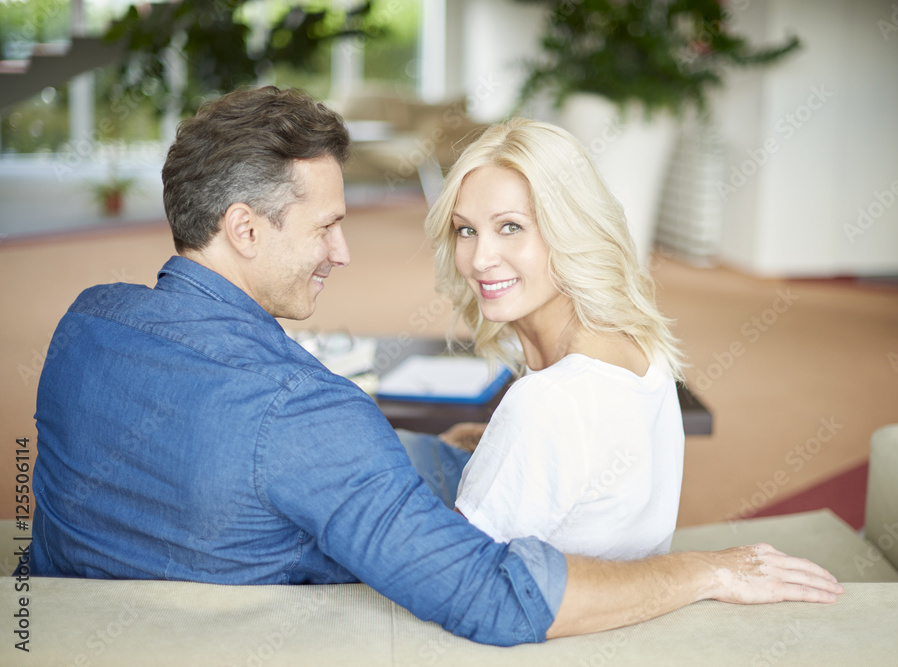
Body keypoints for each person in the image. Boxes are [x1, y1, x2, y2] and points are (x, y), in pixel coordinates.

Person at [31, 87, 842, 649]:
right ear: (244, 228)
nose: (345, 252)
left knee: (436, 449)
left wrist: (457, 453)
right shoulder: (310, 416)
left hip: (70, 598)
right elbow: (494, 594)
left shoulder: (84, 321)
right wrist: (702, 569)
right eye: (327, 227)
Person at [422, 117, 684, 559]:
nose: (480, 259)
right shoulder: (640, 342)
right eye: (466, 230)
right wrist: (498, 440)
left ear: (571, 229)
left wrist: (517, 436)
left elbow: (454, 578)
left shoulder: (545, 403)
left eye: (511, 227)